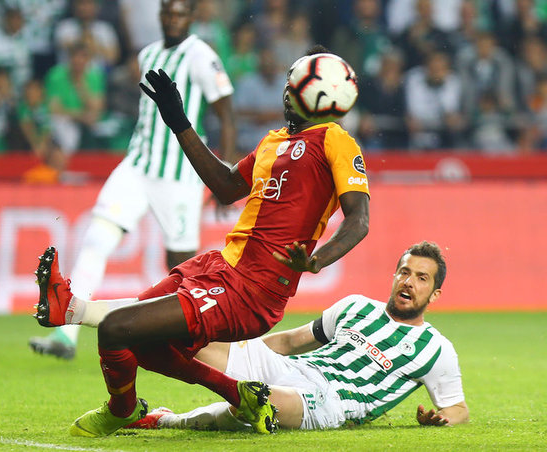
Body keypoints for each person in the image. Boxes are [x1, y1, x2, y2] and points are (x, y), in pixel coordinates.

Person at [32, 43, 370, 436]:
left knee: (117, 330)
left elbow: (359, 219)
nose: (286, 93)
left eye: (292, 86)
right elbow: (226, 187)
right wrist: (179, 122)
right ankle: (73, 310)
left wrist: (316, 260)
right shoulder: (273, 141)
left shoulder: (335, 140)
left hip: (254, 290)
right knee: (140, 338)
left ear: (308, 96)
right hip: (220, 265)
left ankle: (121, 408)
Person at [29, 0, 237, 359]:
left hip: (178, 173)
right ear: (160, 15)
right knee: (96, 239)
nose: (172, 18)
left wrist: (226, 172)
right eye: (167, 12)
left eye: (179, 13)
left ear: (191, 16)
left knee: (181, 263)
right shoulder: (148, 54)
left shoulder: (202, 57)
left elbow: (226, 114)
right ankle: (66, 336)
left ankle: (203, 342)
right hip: (138, 164)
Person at [127, 241, 470, 431]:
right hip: (291, 367)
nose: (409, 282)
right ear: (394, 275)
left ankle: (166, 420)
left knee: (256, 404)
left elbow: (457, 408)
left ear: (435, 294)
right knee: (183, 334)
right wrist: (242, 351)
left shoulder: (436, 349)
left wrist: (442, 419)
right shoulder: (356, 306)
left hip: (329, 400)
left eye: (422, 278)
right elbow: (291, 342)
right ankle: (119, 353)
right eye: (404, 272)